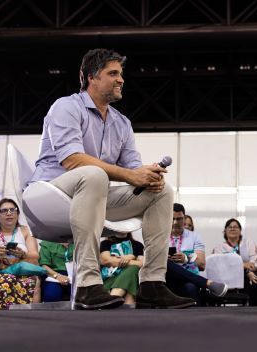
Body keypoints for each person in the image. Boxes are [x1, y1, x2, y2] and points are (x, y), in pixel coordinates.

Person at [28, 48, 194, 309]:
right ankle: (86, 286)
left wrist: (148, 176)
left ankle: (152, 284)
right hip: (48, 194)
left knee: (161, 192)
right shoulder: (66, 106)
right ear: (91, 77)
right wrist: (131, 174)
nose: (121, 79)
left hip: (92, 195)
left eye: (121, 74)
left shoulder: (122, 123)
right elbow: (72, 160)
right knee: (94, 175)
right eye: (113, 73)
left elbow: (132, 170)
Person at [0, 198, 43, 309]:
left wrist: (23, 254)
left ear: (17, 214)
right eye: (4, 211)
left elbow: (35, 256)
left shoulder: (25, 230)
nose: (9, 213)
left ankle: (31, 318)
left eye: (12, 210)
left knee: (34, 280)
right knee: (4, 280)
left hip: (23, 271)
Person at [212, 218, 257, 306]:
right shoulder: (219, 248)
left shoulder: (249, 243)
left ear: (240, 231)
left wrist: (249, 271)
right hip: (227, 279)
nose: (233, 228)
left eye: (236, 227)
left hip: (248, 277)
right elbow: (222, 266)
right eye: (230, 227)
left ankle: (256, 313)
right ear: (225, 231)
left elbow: (254, 262)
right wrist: (244, 266)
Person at [166, 203, 209, 302]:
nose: (175, 222)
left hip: (188, 279)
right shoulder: (161, 236)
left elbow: (202, 264)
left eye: (179, 219)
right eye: (172, 218)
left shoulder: (194, 237)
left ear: (184, 218)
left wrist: (186, 258)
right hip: (167, 278)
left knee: (191, 288)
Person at [99, 233, 143, 305]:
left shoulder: (137, 245)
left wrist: (130, 257)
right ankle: (124, 303)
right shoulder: (105, 243)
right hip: (110, 280)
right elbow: (106, 261)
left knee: (134, 270)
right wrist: (130, 259)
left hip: (129, 278)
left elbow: (141, 264)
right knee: (133, 271)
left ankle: (113, 298)